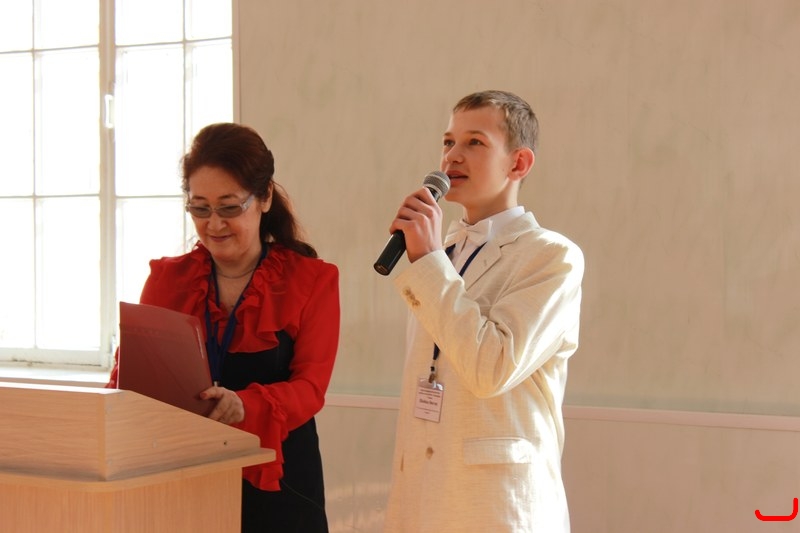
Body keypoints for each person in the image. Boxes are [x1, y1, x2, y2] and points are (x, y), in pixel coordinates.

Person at [107, 122, 340, 532]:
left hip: (280, 481)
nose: (214, 224)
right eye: (200, 208)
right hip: (186, 475)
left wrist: (246, 405)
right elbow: (126, 376)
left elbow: (310, 389)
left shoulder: (312, 280)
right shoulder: (166, 280)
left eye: (229, 208)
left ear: (265, 197)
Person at [381, 90, 584, 532]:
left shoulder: (552, 257)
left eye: (474, 142)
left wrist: (429, 261)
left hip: (497, 503)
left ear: (519, 163)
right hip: (425, 490)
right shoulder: (443, 253)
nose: (452, 156)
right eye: (448, 141)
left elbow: (491, 368)